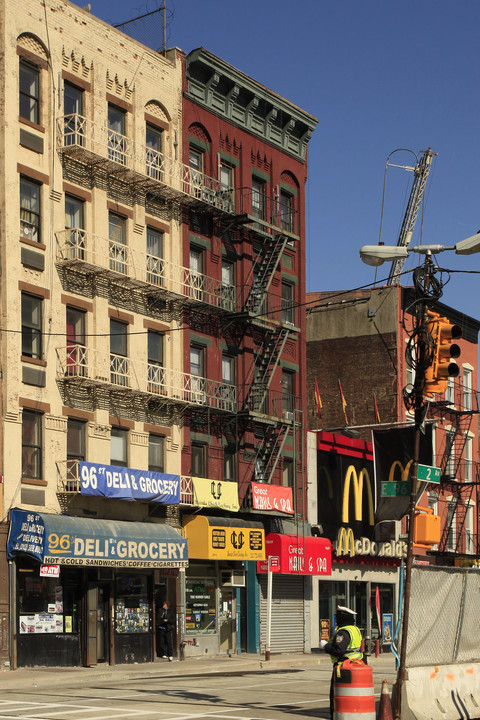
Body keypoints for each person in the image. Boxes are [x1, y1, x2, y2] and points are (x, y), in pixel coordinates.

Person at [319, 605, 364, 720]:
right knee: (352, 695)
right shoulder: (355, 629)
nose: (336, 620)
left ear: (342, 618)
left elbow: (338, 650)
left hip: (343, 667)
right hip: (357, 664)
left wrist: (325, 646)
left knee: (337, 694)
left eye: (337, 617)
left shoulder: (343, 632)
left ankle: (336, 716)